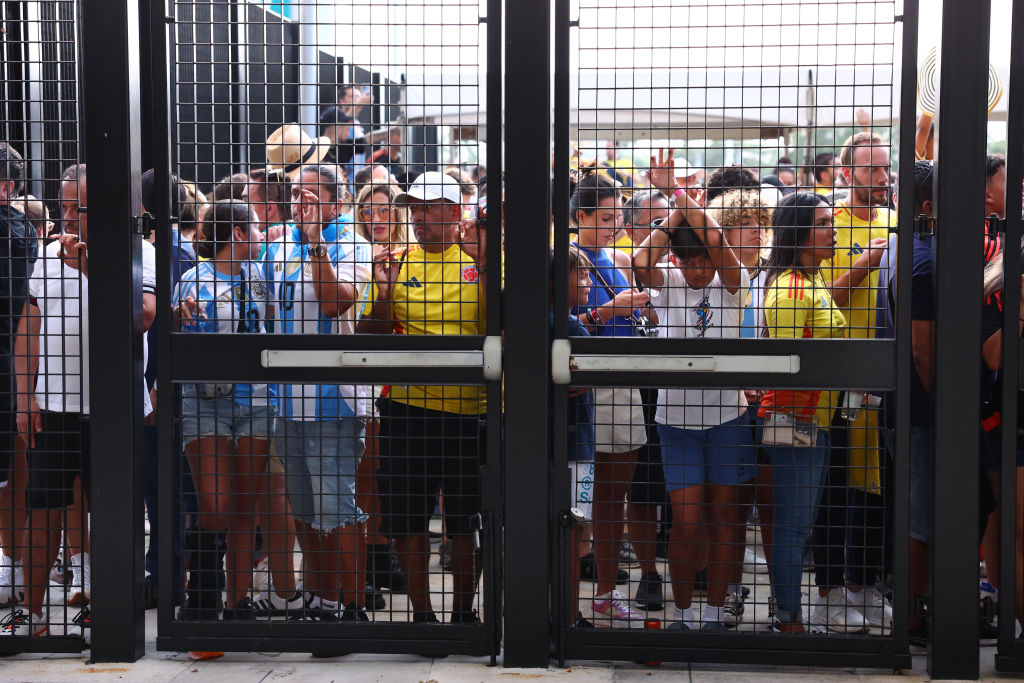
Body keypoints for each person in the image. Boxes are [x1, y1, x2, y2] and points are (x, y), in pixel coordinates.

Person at [7, 164, 155, 636]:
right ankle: (30, 616)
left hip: (114, 407)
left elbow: (142, 316)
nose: (68, 217)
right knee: (43, 506)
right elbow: (28, 330)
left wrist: (87, 264)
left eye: (80, 207)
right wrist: (25, 398)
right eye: (64, 205)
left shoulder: (140, 252)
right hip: (54, 403)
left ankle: (104, 608)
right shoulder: (47, 256)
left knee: (110, 509)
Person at [357, 171, 488, 623]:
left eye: (429, 207)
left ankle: (465, 615)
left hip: (470, 412)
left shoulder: (482, 259)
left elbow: (503, 325)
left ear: (455, 213)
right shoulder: (394, 261)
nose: (417, 217)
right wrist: (385, 294)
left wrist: (487, 264)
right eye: (413, 208)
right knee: (408, 519)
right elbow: (367, 337)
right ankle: (422, 616)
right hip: (407, 409)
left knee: (464, 521)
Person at [633, 150, 755, 631]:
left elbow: (720, 244)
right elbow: (643, 258)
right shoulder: (668, 285)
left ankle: (712, 612)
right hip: (675, 420)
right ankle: (681, 612)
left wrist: (680, 195)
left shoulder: (732, 281)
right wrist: (671, 214)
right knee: (684, 520)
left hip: (728, 416)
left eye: (703, 260)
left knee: (724, 519)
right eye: (688, 261)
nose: (697, 270)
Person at [265, 163, 372, 621]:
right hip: (285, 402)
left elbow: (334, 302)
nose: (299, 202)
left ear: (337, 200)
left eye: (311, 195)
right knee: (305, 509)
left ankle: (353, 605)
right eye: (295, 193)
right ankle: (322, 596)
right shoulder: (275, 245)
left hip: (334, 400)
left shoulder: (354, 244)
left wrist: (315, 245)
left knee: (337, 507)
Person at [174, 200, 276, 621]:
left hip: (255, 400)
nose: (262, 235)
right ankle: (202, 594)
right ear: (236, 235)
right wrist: (179, 317)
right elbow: (177, 339)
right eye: (255, 228)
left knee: (245, 505)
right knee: (214, 504)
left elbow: (268, 320)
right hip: (205, 402)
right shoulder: (194, 279)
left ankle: (238, 601)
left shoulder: (258, 276)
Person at [811, 132, 892, 634]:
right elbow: (820, 303)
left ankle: (862, 586)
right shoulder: (829, 228)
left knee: (876, 488)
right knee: (835, 487)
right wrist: (863, 266)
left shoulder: (895, 223)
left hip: (883, 377)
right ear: (846, 174)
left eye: (885, 169)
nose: (881, 179)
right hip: (841, 380)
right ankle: (828, 591)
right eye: (871, 170)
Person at [758, 192, 846, 633]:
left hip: (814, 421)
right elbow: (789, 363)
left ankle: (789, 613)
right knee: (793, 528)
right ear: (800, 233)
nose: (833, 230)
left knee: (797, 526)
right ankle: (789, 619)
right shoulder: (792, 288)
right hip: (795, 421)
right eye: (824, 223)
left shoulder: (811, 279)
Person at [568, 168, 650, 623]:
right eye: (606, 216)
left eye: (619, 215)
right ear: (580, 216)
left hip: (624, 378)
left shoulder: (615, 260)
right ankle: (576, 590)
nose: (615, 223)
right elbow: (564, 318)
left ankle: (604, 589)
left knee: (615, 493)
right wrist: (609, 309)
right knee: (587, 493)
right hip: (588, 384)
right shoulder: (569, 259)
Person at [350, 181, 409, 595]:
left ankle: (383, 552)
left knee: (392, 473)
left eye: (384, 209)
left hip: (406, 373)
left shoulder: (413, 254)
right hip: (366, 371)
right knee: (367, 470)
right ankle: (371, 559)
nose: (376, 218)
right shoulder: (355, 253)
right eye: (367, 211)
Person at [0, 143, 36, 610]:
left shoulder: (12, 231)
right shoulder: (22, 227)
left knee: (12, 472)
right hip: (15, 366)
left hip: (9, 366)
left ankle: (12, 564)